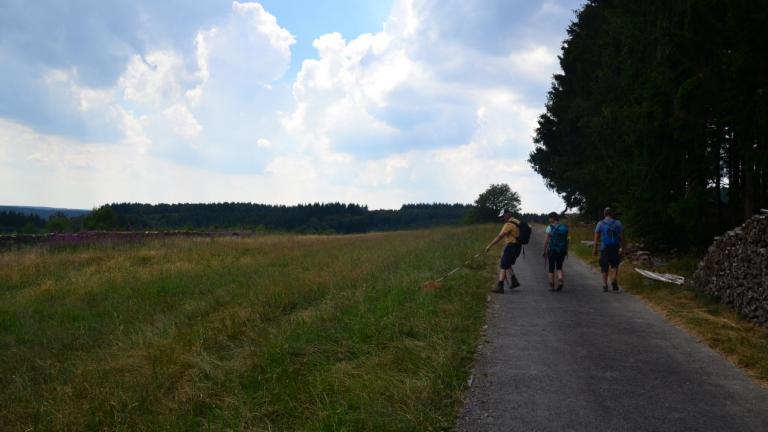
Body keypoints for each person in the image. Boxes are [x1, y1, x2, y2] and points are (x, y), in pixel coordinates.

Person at [484, 209, 522, 293]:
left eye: (503, 216)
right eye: (501, 217)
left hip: (511, 246)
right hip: (518, 247)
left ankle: (500, 287)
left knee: (503, 265)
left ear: (508, 214)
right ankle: (514, 281)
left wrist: (489, 246)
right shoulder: (517, 222)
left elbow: (499, 237)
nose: (502, 218)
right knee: (507, 263)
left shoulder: (508, 224)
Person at [593, 207, 625, 292]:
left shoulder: (600, 223)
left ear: (604, 214)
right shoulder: (618, 223)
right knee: (615, 264)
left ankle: (605, 285)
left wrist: (595, 249)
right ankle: (614, 278)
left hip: (604, 248)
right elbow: (622, 237)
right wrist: (623, 248)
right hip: (615, 247)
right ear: (612, 214)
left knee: (604, 266)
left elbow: (596, 238)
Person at [543, 212, 568, 291]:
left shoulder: (550, 227)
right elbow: (566, 240)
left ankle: (551, 286)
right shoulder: (563, 227)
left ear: (553, 218)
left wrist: (544, 250)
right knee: (559, 267)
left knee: (551, 267)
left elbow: (546, 240)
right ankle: (560, 280)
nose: (549, 219)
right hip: (562, 250)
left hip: (552, 250)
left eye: (549, 218)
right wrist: (566, 250)